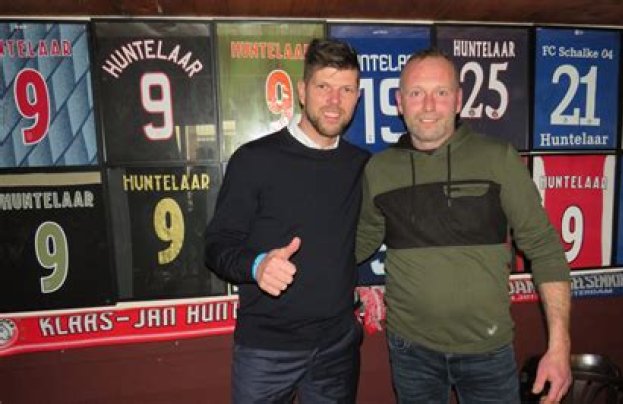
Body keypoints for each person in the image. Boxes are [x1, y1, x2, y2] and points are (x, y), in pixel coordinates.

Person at [355, 48, 572, 403]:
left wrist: (560, 347)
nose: (428, 105)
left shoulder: (498, 158)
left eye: (440, 92)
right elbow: (358, 243)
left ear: (458, 100)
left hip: (488, 351)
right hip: (411, 351)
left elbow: (545, 249)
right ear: (399, 102)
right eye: (416, 93)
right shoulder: (379, 170)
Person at [205, 38, 368, 404]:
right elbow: (216, 246)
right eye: (323, 87)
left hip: (337, 347)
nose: (334, 101)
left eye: (346, 90)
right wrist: (257, 265)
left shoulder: (360, 165)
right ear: (302, 91)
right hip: (267, 349)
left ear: (357, 98)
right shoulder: (253, 160)